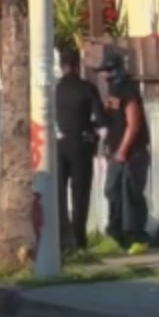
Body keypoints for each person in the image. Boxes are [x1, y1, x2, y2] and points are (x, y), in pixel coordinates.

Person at [97, 53, 151, 254]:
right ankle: (116, 235)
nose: (104, 76)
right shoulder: (113, 92)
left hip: (132, 153)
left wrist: (123, 151)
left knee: (131, 195)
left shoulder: (128, 90)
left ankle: (136, 238)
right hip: (116, 152)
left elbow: (134, 123)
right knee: (113, 192)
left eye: (107, 72)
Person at [54, 48, 104, 252]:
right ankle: (78, 241)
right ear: (77, 65)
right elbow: (101, 118)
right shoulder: (87, 89)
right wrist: (92, 128)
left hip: (59, 144)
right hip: (80, 144)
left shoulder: (55, 90)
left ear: (61, 66)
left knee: (58, 193)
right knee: (80, 194)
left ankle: (60, 240)